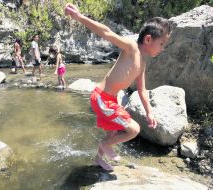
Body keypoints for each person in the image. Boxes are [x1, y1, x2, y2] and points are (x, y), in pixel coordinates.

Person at [65, 4, 171, 171]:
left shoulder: (142, 63)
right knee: (134, 129)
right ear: (148, 39)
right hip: (101, 98)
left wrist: (149, 112)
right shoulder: (131, 48)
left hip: (110, 100)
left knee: (112, 133)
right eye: (162, 43)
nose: (162, 48)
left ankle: (98, 159)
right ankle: (105, 144)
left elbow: (142, 90)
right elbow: (107, 32)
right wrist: (80, 17)